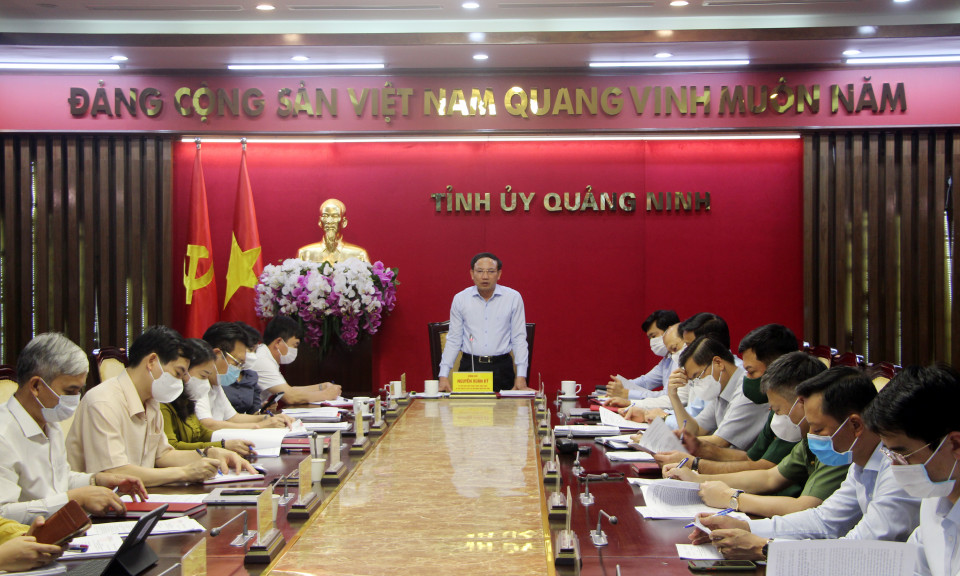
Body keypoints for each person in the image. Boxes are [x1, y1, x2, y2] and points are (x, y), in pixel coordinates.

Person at [687, 366, 920, 561]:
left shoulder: (898, 466)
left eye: (818, 429)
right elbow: (824, 520)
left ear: (855, 425)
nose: (811, 437)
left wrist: (763, 548)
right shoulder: (860, 462)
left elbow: (859, 548)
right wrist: (746, 528)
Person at [66, 326, 255, 486]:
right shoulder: (103, 402)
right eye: (178, 373)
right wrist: (184, 473)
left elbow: (162, 456)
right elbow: (115, 473)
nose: (183, 382)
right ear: (152, 362)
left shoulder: (151, 401)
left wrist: (209, 454)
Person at [668, 362, 858, 518]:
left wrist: (731, 498)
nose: (775, 416)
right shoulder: (811, 439)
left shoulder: (837, 443)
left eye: (777, 410)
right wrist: (698, 479)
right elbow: (769, 477)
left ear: (801, 403)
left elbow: (806, 508)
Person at [0, 333, 147, 524]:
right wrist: (73, 499)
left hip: (63, 528)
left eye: (79, 390)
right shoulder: (4, 435)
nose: (75, 399)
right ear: (36, 386)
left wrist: (97, 481)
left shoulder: (49, 421)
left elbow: (59, 481)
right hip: (26, 537)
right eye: (70, 391)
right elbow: (3, 514)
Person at [657, 324, 804, 476]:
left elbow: (765, 470)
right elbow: (751, 458)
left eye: (751, 371)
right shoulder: (723, 391)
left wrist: (695, 462)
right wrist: (698, 446)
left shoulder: (750, 395)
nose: (747, 378)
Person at [863, 365, 960, 576]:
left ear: (955, 444)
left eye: (903, 455)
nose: (895, 467)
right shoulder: (934, 500)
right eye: (890, 455)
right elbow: (913, 568)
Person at [438, 252, 529, 393]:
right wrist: (443, 375)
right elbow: (454, 339)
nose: (485, 276)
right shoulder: (460, 299)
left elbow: (519, 339)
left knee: (505, 407)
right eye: (480, 271)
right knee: (468, 407)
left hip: (502, 368)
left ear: (499, 274)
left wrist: (521, 376)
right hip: (471, 368)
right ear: (472, 274)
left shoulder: (513, 298)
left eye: (491, 271)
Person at [661, 336, 768, 451]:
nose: (697, 383)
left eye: (697, 376)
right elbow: (695, 431)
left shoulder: (745, 390)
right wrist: (673, 396)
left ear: (718, 363)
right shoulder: (721, 391)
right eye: (692, 381)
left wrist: (673, 442)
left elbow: (720, 442)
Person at [164, 339, 257, 458]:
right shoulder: (164, 403)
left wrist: (226, 443)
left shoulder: (187, 400)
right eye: (203, 376)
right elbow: (172, 446)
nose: (206, 384)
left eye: (207, 377)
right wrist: (221, 446)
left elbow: (202, 432)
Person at [196, 322, 293, 430]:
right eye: (237, 363)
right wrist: (259, 426)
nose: (238, 369)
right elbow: (207, 424)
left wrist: (270, 418)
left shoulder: (215, 384)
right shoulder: (197, 383)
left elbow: (234, 417)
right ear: (217, 354)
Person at [248, 316, 342, 405]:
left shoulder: (265, 355)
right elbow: (290, 397)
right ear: (278, 342)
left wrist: (322, 387)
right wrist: (326, 394)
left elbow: (289, 390)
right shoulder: (262, 360)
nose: (295, 350)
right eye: (295, 345)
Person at [605, 310, 680, 401]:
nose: (652, 342)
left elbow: (669, 397)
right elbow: (646, 381)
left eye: (653, 336)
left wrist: (627, 393)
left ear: (670, 331)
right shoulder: (667, 359)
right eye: (649, 338)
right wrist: (621, 385)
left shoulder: (681, 357)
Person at [297, 198, 370, 264]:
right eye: (325, 216)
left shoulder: (359, 255)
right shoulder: (304, 254)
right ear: (320, 222)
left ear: (344, 222)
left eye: (335, 216)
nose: (329, 221)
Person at [222, 321, 266, 415]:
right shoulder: (220, 376)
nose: (252, 355)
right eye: (250, 349)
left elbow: (254, 411)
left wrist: (263, 413)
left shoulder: (251, 376)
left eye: (255, 351)